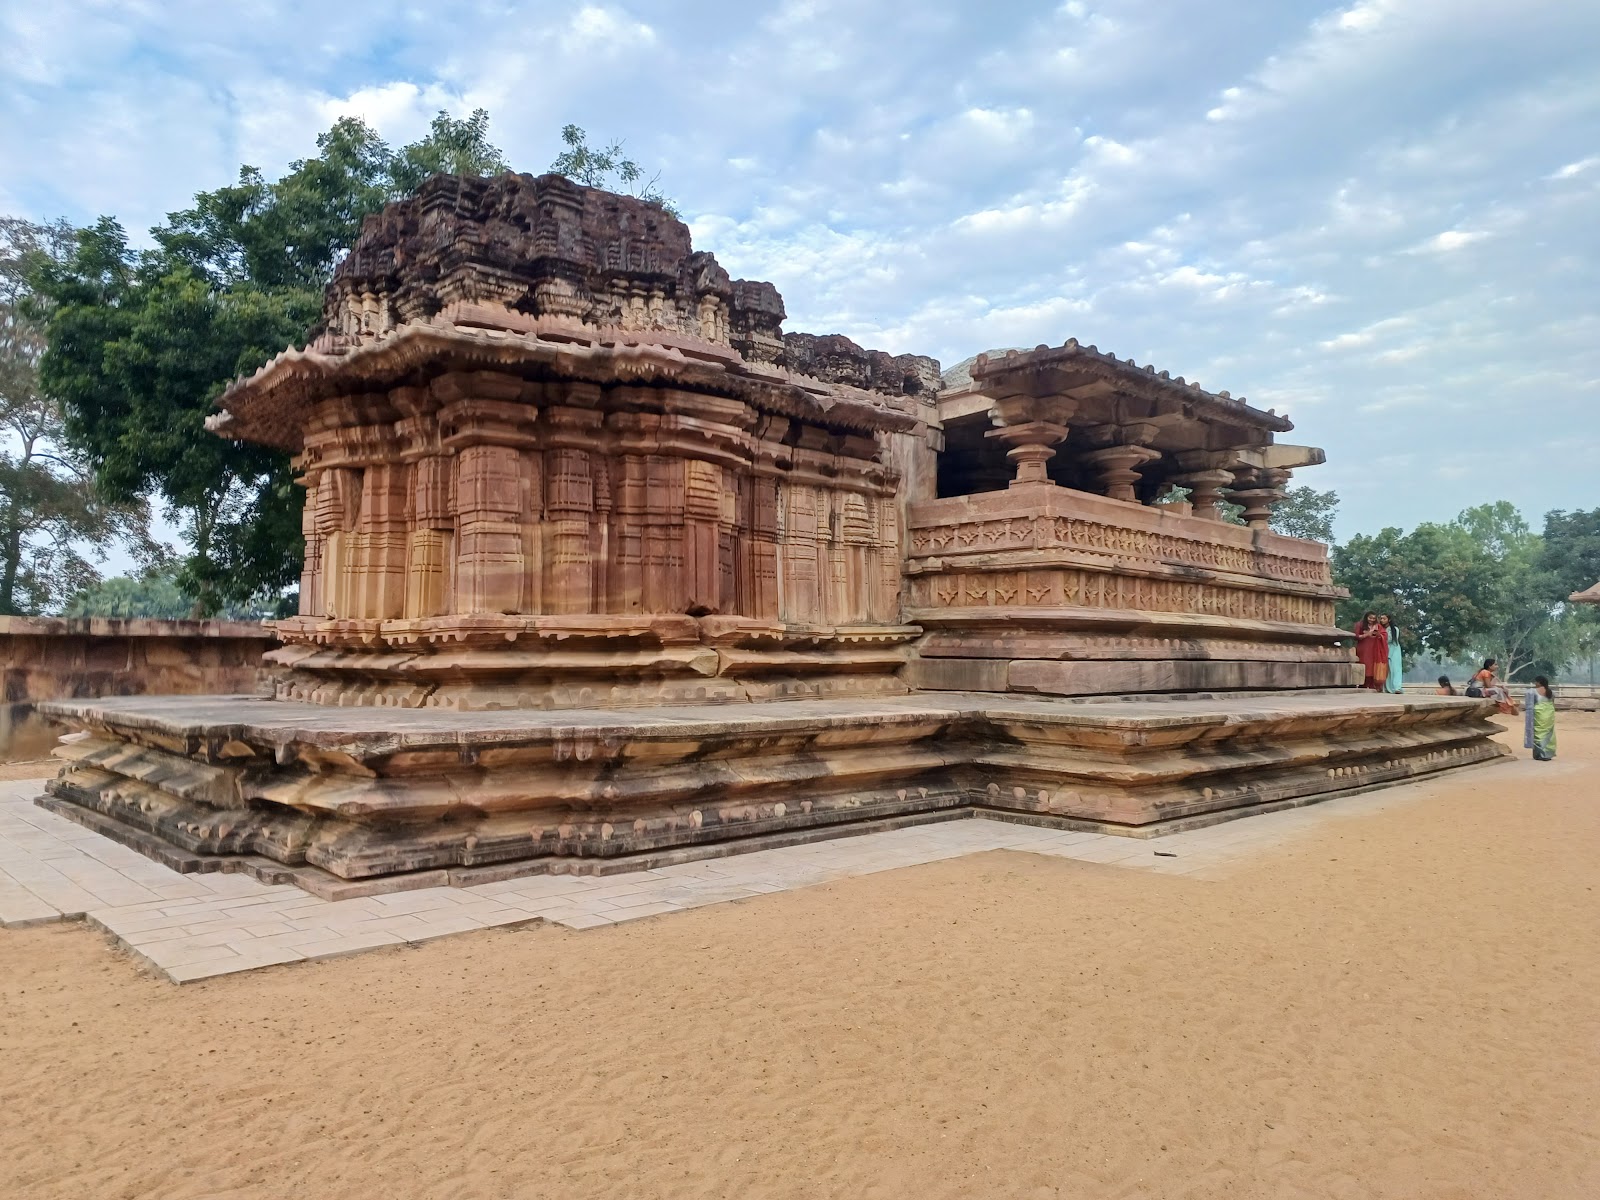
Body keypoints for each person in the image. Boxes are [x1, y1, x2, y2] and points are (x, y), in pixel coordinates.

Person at [1353, 611, 1388, 691]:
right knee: (1364, 664)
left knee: (1373, 666)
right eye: (1370, 618)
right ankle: (1363, 684)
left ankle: (1373, 684)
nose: (1372, 620)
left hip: (1375, 648)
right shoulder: (1360, 624)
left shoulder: (1378, 626)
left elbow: (1384, 635)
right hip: (1363, 648)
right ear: (1366, 617)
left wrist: (1379, 635)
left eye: (1373, 618)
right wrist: (1367, 634)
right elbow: (1356, 636)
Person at [1523, 676, 1556, 760]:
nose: (1535, 684)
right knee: (1548, 732)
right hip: (1549, 713)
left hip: (1539, 713)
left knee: (1538, 732)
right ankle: (1548, 753)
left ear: (1539, 682)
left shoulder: (1533, 691)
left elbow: (1530, 704)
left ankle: (1540, 754)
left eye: (1536, 682)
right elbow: (1552, 702)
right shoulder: (1550, 692)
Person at [1380, 615, 1404, 693]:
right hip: (1384, 650)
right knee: (1387, 670)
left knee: (1396, 669)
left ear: (1389, 619)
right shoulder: (1381, 629)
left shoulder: (1395, 629)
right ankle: (1388, 688)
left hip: (1394, 650)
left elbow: (1389, 639)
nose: (1382, 620)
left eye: (1384, 619)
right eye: (1381, 619)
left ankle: (1397, 687)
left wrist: (1380, 636)